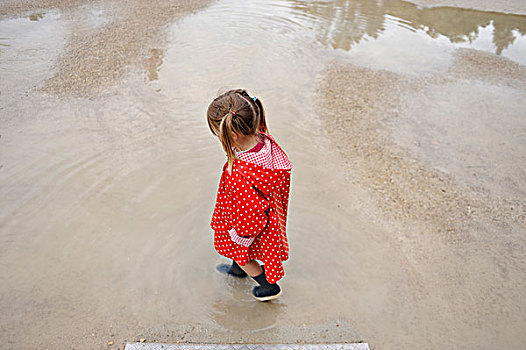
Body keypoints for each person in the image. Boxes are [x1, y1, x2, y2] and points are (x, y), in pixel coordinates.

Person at [207, 89, 292, 302]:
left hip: (247, 227)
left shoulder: (240, 175)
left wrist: (241, 237)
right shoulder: (262, 139)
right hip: (268, 216)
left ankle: (268, 286)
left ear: (232, 135)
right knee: (238, 253)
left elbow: (251, 214)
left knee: (239, 251)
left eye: (219, 133)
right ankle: (238, 270)